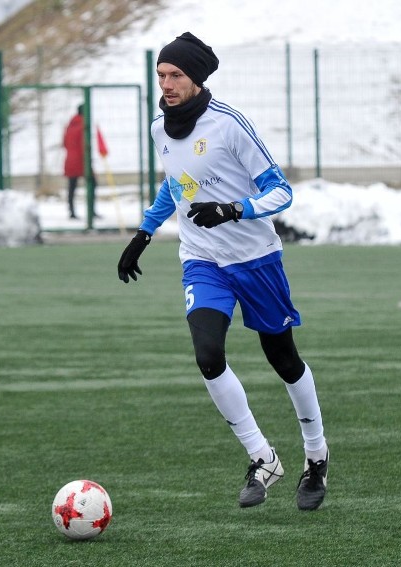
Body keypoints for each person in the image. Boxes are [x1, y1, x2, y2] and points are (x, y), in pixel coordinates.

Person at [116, 32, 329, 511]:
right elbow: (177, 186)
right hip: (202, 261)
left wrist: (235, 209)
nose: (166, 85)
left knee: (284, 360)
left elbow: (281, 193)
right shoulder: (158, 130)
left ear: (196, 79)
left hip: (256, 260)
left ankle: (315, 457)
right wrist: (143, 235)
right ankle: (262, 457)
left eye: (175, 76)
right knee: (208, 354)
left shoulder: (229, 125)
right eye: (161, 76)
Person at [62, 104, 97, 219]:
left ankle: (71, 211)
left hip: (70, 159)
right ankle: (91, 211)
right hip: (82, 160)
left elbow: (64, 143)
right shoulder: (83, 125)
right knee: (92, 183)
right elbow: (84, 145)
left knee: (72, 187)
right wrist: (88, 160)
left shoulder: (70, 124)